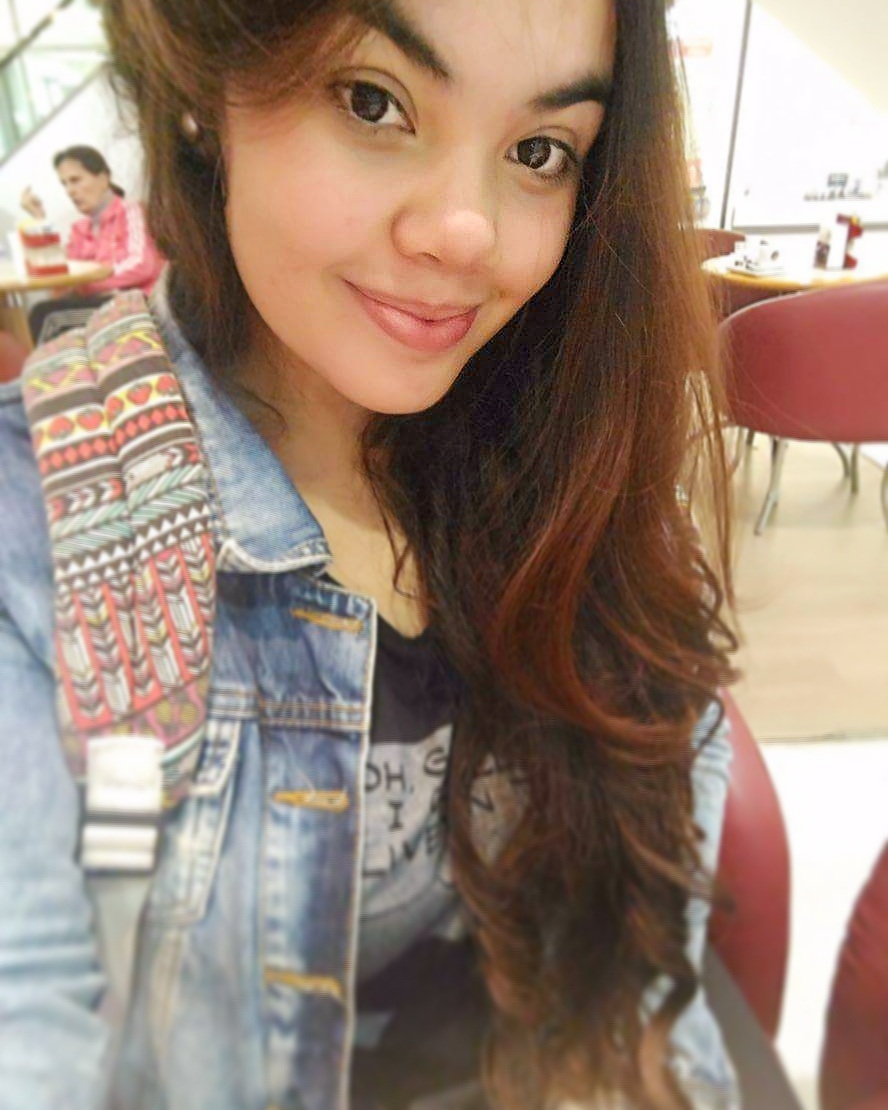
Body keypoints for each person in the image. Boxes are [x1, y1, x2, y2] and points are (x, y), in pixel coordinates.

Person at [0, 2, 799, 1109]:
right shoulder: (48, 539)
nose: (467, 232)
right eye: (374, 102)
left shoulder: (586, 466)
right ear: (204, 89)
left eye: (539, 152)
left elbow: (647, 986)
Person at [20, 145, 164, 342]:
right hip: (100, 305)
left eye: (76, 180)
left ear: (104, 178)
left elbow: (143, 265)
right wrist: (39, 220)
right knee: (46, 314)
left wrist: (87, 285)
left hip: (139, 304)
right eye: (64, 184)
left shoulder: (131, 211)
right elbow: (62, 283)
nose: (70, 191)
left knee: (46, 316)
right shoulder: (80, 230)